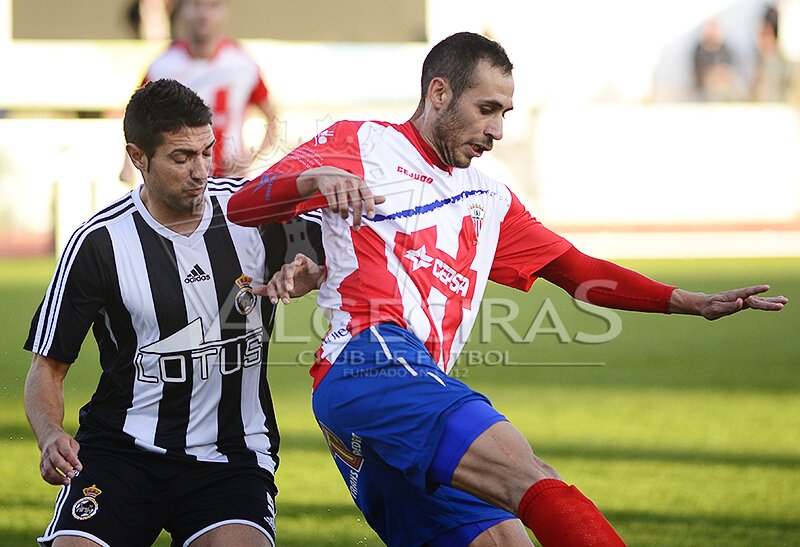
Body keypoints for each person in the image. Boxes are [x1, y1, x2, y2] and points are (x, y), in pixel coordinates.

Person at [228, 32, 788, 546]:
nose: (498, 130)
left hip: (406, 390)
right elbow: (244, 204)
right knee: (531, 476)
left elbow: (578, 271)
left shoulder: (490, 202)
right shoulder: (363, 143)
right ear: (439, 93)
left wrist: (689, 302)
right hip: (366, 362)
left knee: (505, 540)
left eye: (506, 113)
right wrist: (313, 179)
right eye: (487, 109)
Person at [24, 79, 322, 547]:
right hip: (121, 452)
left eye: (206, 152)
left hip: (231, 456)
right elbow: (48, 367)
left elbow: (333, 255)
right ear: (138, 157)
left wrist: (309, 271)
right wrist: (49, 435)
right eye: (181, 158)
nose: (201, 171)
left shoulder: (252, 213)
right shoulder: (99, 243)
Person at [121, 0, 278, 183]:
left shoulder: (243, 63)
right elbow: (137, 118)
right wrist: (128, 165)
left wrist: (251, 159)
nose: (204, 15)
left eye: (213, 6)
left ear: (224, 12)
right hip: (178, 184)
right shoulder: (162, 66)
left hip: (230, 183)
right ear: (179, 11)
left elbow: (272, 118)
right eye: (196, 5)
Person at [693, 19, 741, 101]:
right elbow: (699, 72)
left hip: (725, 87)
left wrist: (721, 73)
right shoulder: (699, 50)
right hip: (705, 89)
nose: (713, 33)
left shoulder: (726, 49)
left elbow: (731, 68)